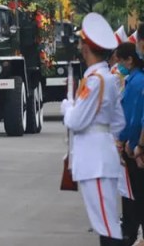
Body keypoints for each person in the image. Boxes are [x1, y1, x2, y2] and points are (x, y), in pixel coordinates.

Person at [60, 13, 125, 246]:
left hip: (94, 160)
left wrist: (68, 108)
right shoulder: (107, 77)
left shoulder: (96, 80)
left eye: (81, 43)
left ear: (86, 48)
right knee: (106, 224)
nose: (79, 47)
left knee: (106, 226)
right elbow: (118, 122)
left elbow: (76, 122)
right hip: (101, 154)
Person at [114, 42, 144, 245]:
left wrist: (127, 141)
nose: (119, 66)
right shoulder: (134, 80)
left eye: (121, 61)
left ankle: (131, 232)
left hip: (134, 146)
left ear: (129, 60)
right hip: (132, 143)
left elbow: (134, 118)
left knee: (136, 194)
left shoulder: (136, 82)